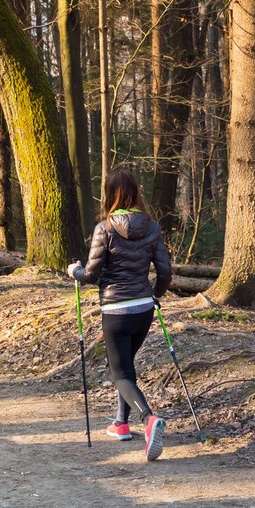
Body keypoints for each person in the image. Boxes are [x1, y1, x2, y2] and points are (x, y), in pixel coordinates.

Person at [67, 170, 173, 461]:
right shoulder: (152, 227)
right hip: (143, 309)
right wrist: (156, 294)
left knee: (120, 373)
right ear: (135, 192)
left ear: (109, 194)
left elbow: (90, 274)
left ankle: (148, 419)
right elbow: (165, 272)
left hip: (115, 309)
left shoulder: (105, 228)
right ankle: (120, 424)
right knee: (127, 366)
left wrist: (72, 272)